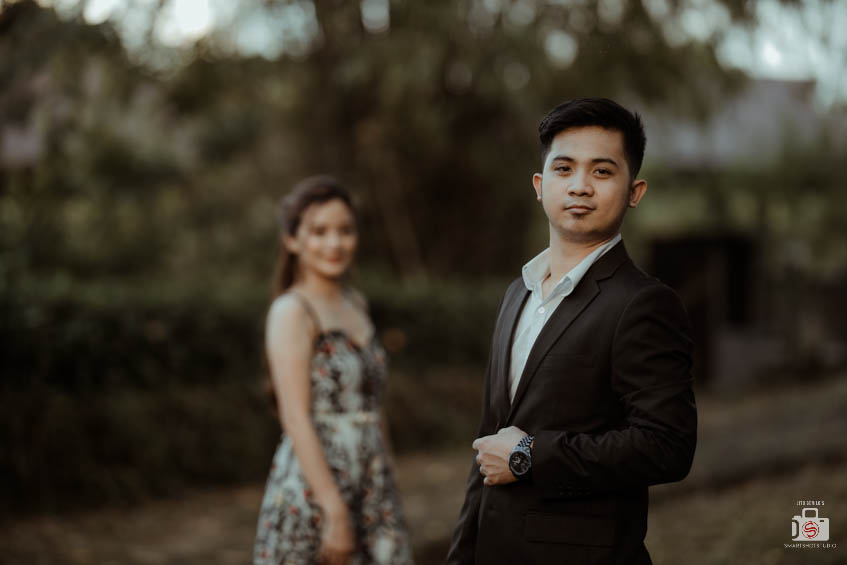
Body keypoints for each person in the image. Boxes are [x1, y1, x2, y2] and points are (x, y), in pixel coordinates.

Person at [446, 98, 697, 564]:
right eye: (564, 169)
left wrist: (528, 455)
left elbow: (667, 446)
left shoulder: (643, 304)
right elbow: (487, 446)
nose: (580, 185)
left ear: (634, 191)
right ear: (540, 186)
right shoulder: (517, 293)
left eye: (602, 171)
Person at [254, 175, 414, 565]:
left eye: (345, 230)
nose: (335, 243)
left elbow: (373, 405)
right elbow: (295, 416)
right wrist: (334, 510)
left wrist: (389, 482)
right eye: (319, 231)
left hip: (373, 481)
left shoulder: (356, 302)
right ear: (292, 240)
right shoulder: (292, 311)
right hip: (317, 486)